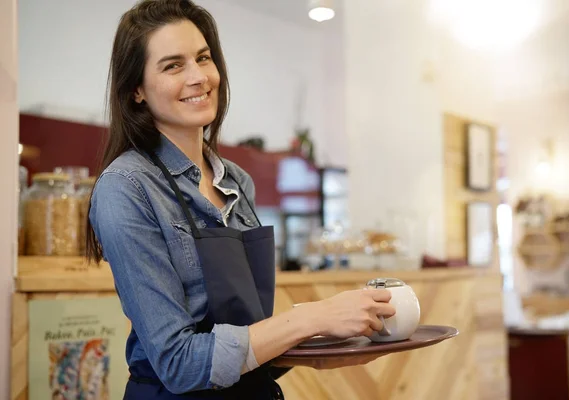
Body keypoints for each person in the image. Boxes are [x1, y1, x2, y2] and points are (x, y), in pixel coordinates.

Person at [86, 1, 396, 399]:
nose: (199, 76)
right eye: (173, 65)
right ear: (137, 90)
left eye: (203, 57)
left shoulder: (237, 182)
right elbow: (178, 364)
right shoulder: (127, 187)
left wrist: (324, 341)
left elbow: (243, 341)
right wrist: (309, 319)